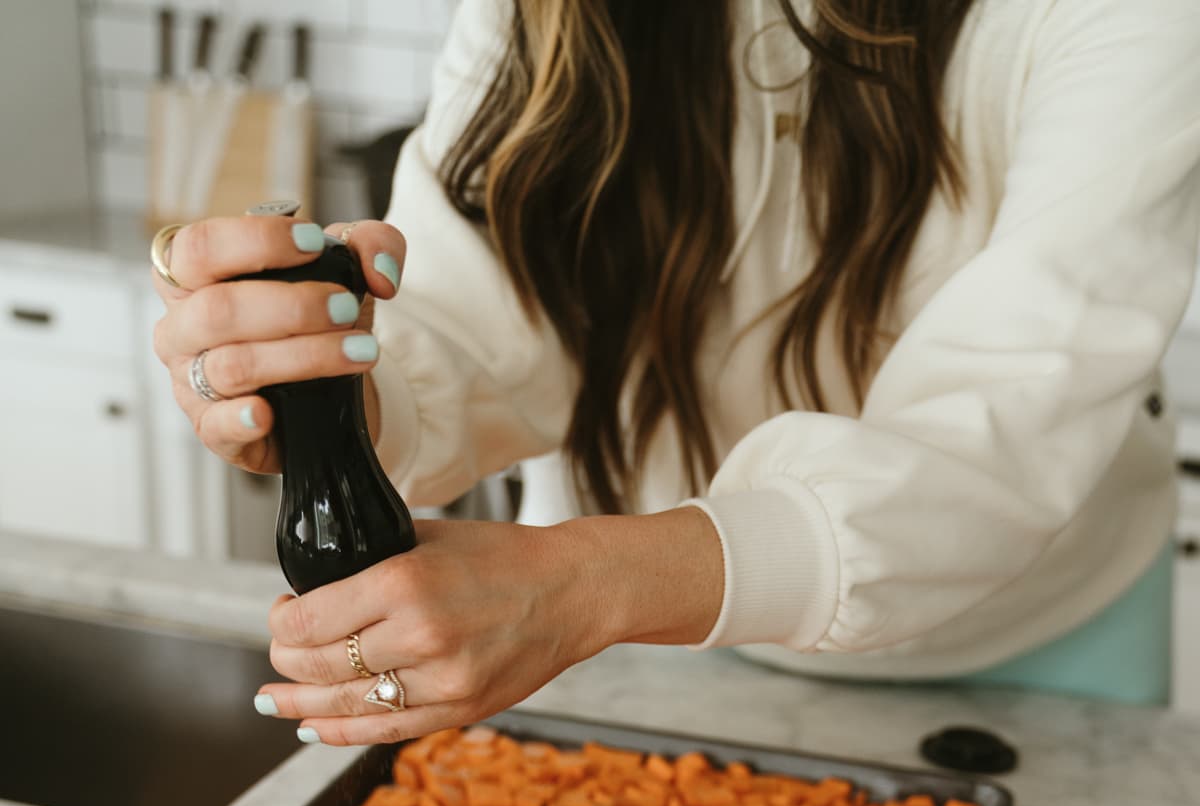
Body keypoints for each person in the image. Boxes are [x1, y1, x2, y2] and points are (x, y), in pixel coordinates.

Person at [151, 0, 1200, 746]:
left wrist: (586, 583)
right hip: (635, 639)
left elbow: (1002, 424)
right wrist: (326, 388)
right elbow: (474, 326)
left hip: (1034, 647)